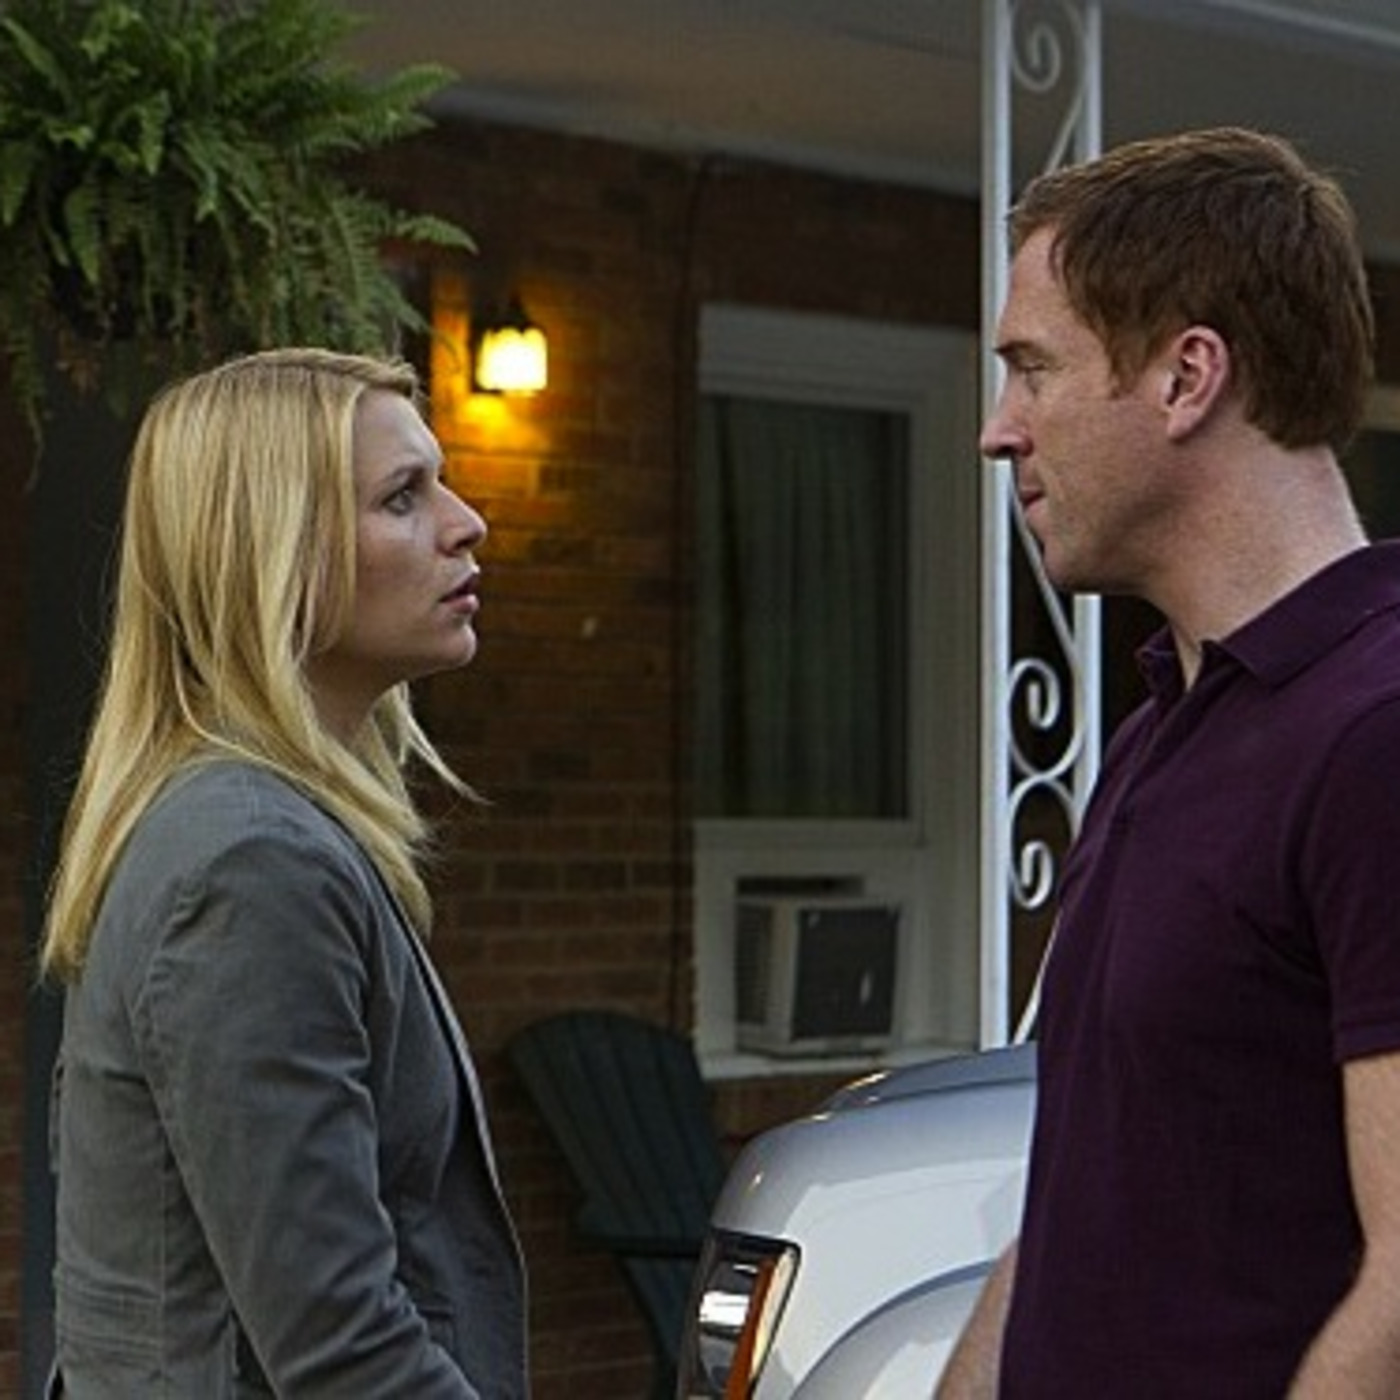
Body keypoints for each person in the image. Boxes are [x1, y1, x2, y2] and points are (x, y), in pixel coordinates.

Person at [939, 127, 1400, 1397]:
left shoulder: (1372, 733)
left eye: (1031, 369)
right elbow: (1088, 1201)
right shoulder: (1160, 728)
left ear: (1185, 376)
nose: (996, 432)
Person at [42, 348, 529, 1397]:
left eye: (440, 482)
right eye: (402, 496)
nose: (466, 523)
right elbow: (342, 1348)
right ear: (271, 552)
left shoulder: (262, 829)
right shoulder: (249, 863)